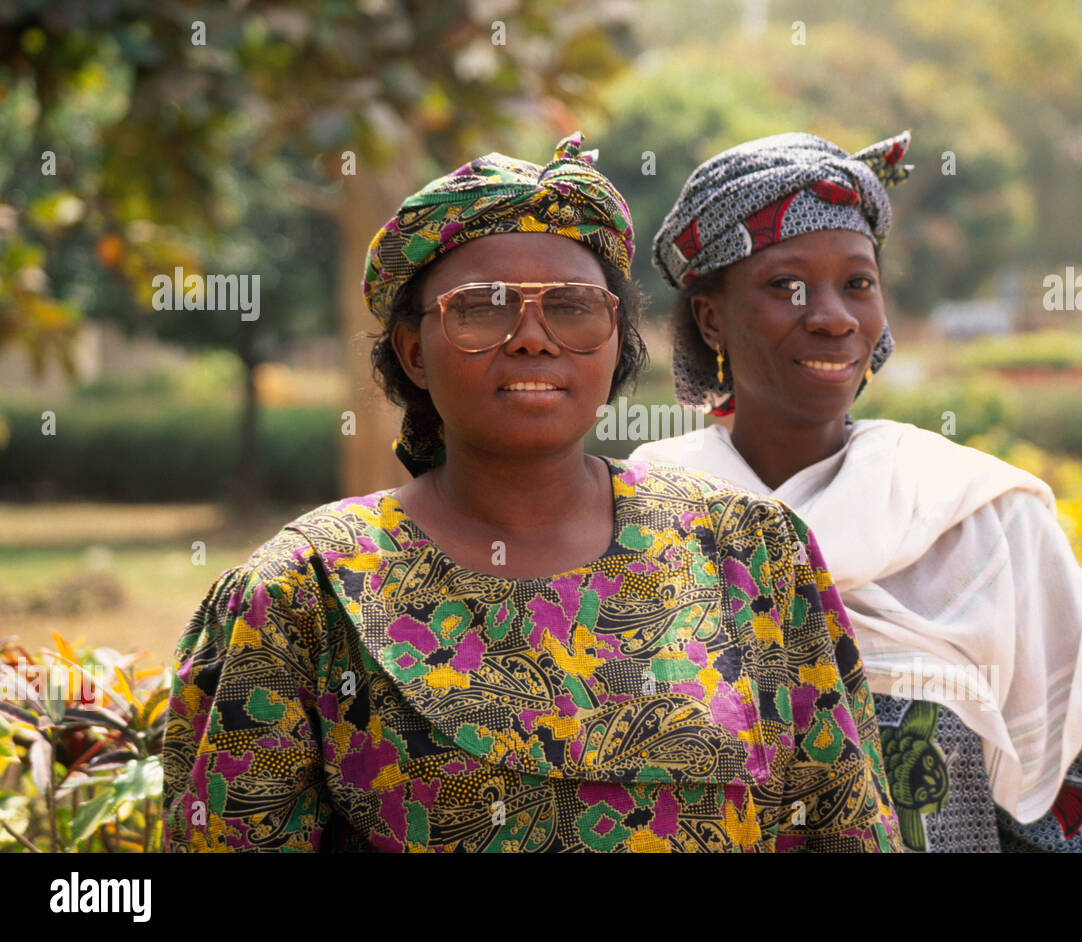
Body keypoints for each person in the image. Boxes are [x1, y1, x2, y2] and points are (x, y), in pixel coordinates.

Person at [161, 131, 902, 853]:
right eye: (483, 306)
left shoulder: (752, 554)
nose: (532, 337)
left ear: (616, 343)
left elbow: (840, 824)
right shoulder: (303, 595)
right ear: (413, 352)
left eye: (574, 306)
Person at [630, 130, 1082, 852]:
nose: (834, 316)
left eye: (858, 284)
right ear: (711, 317)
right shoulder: (644, 519)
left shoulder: (984, 521)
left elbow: (1076, 817)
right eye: (786, 286)